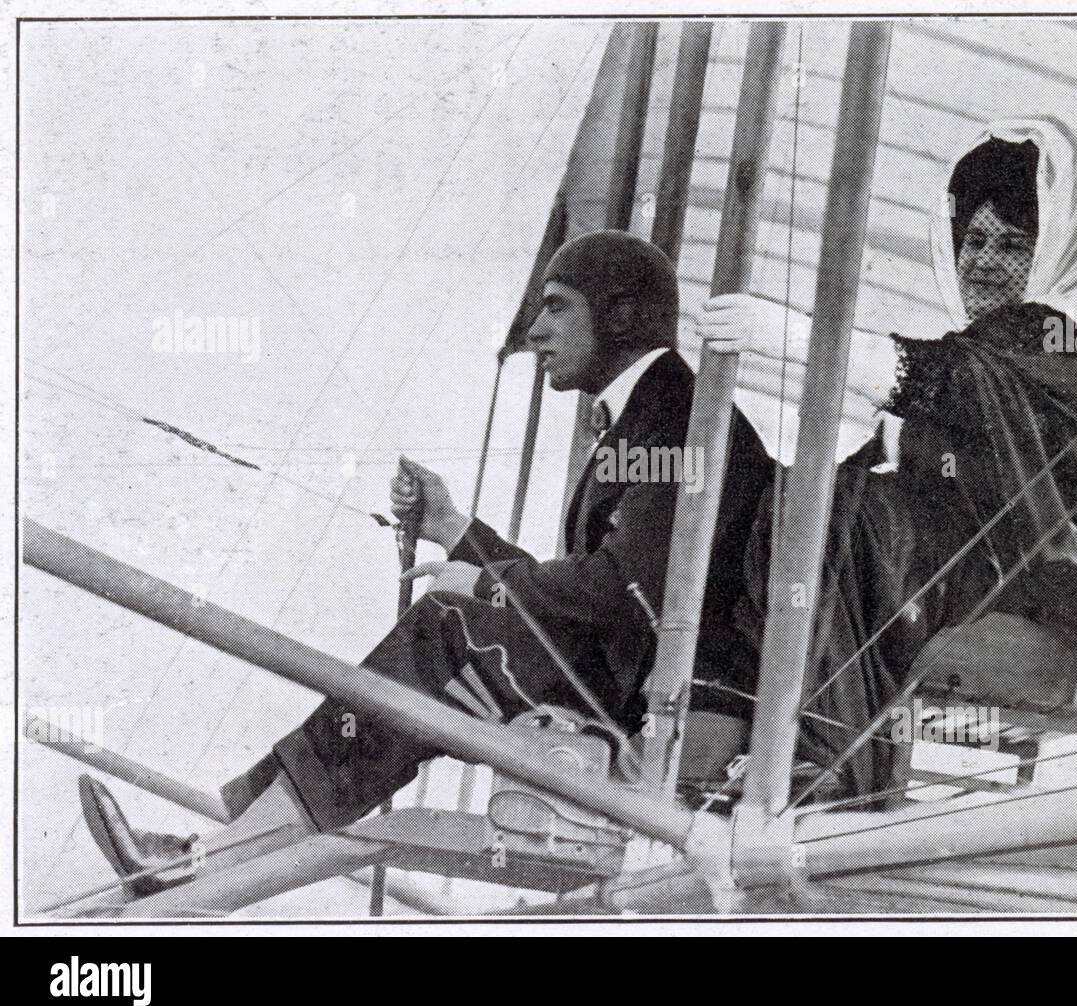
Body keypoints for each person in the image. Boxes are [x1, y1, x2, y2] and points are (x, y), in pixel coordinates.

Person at [79, 229, 772, 897]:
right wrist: (455, 530)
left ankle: (217, 853)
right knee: (444, 633)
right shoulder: (652, 416)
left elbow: (619, 590)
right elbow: (602, 590)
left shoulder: (683, 420)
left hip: (663, 707)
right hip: (631, 681)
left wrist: (484, 584)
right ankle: (223, 843)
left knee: (445, 628)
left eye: (557, 305)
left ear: (620, 316)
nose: (535, 331)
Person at [696, 116, 1077, 798]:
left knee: (845, 516)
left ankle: (826, 766)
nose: (983, 261)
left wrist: (784, 333)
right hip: (961, 566)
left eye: (1013, 244)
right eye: (976, 239)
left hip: (1019, 579)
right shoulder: (1001, 343)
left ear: (1059, 252)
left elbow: (936, 377)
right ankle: (743, 732)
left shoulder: (1049, 338)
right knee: (800, 501)